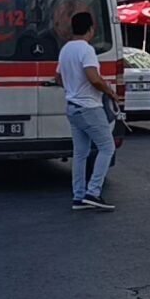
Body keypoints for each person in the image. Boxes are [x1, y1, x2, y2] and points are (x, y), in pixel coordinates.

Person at [57, 12, 118, 211]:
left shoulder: (65, 49)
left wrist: (72, 87)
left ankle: (79, 196)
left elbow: (58, 77)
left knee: (80, 153)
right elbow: (93, 77)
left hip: (72, 107)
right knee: (107, 147)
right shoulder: (86, 49)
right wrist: (109, 91)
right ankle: (93, 192)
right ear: (91, 29)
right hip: (89, 107)